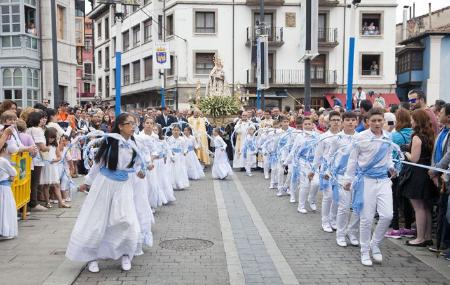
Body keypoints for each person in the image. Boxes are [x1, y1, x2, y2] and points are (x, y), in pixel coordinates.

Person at [66, 113, 144, 272]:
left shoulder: (136, 144)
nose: (133, 126)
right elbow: (97, 164)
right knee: (97, 220)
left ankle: (125, 254)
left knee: (126, 220)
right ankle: (92, 257)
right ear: (121, 126)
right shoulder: (109, 141)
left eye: (134, 123)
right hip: (104, 185)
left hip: (123, 186)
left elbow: (137, 165)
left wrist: (141, 172)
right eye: (129, 123)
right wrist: (87, 183)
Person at [343, 108, 396, 266]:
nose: (377, 123)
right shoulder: (360, 138)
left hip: (384, 181)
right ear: (367, 122)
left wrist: (392, 167)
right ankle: (364, 251)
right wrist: (348, 179)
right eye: (373, 121)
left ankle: (375, 244)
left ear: (383, 121)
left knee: (387, 215)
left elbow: (389, 157)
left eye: (380, 120)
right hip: (366, 181)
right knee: (366, 218)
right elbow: (352, 160)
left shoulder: (388, 137)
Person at [403, 109, 437, 247]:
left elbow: (415, 159)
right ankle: (427, 237)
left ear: (417, 121)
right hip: (426, 173)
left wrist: (406, 153)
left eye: (412, 119)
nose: (411, 121)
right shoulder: (430, 135)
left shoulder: (417, 137)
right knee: (426, 207)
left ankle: (420, 237)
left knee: (418, 208)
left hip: (417, 174)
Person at [326, 111, 360, 247]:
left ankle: (352, 232)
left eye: (353, 120)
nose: (351, 122)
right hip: (341, 177)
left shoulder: (361, 138)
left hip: (358, 177)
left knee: (358, 208)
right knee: (344, 207)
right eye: (348, 120)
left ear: (356, 122)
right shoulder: (337, 138)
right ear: (343, 122)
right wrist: (328, 172)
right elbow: (330, 156)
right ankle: (340, 234)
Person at [385, 109, 415, 239]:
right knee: (407, 201)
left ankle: (395, 228)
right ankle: (408, 227)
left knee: (395, 199)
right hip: (411, 171)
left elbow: (389, 153)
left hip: (396, 171)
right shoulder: (413, 134)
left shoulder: (394, 135)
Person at [309, 111, 342, 232]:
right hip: (326, 169)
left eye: (338, 120)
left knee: (336, 197)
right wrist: (313, 170)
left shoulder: (343, 136)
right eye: (334, 120)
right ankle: (325, 221)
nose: (336, 122)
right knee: (328, 196)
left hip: (339, 171)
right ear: (329, 122)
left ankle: (333, 220)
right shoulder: (324, 137)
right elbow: (318, 156)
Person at [39, 127, 70, 209]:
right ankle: (47, 202)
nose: (51, 140)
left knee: (57, 184)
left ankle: (61, 202)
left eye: (53, 138)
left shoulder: (55, 146)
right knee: (46, 185)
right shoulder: (43, 145)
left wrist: (55, 160)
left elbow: (59, 157)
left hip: (53, 166)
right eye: (50, 138)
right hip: (46, 166)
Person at [26, 111, 49, 212]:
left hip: (29, 158)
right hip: (37, 158)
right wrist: (48, 148)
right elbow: (42, 147)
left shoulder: (28, 129)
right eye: (41, 118)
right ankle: (33, 203)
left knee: (30, 181)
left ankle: (30, 202)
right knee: (35, 182)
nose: (42, 120)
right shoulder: (37, 130)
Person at [0, 142, 17, 240]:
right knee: (6, 209)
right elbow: (13, 172)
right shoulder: (3, 161)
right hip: (4, 188)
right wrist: (11, 177)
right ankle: (5, 231)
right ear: (4, 149)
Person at [167, 125, 189, 190]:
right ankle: (172, 184)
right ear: (172, 131)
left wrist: (185, 152)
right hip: (172, 156)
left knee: (179, 169)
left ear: (180, 131)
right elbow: (167, 147)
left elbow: (185, 147)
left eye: (177, 130)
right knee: (171, 169)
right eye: (174, 130)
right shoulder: (169, 139)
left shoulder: (182, 139)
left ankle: (180, 183)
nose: (176, 132)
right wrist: (171, 153)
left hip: (180, 156)